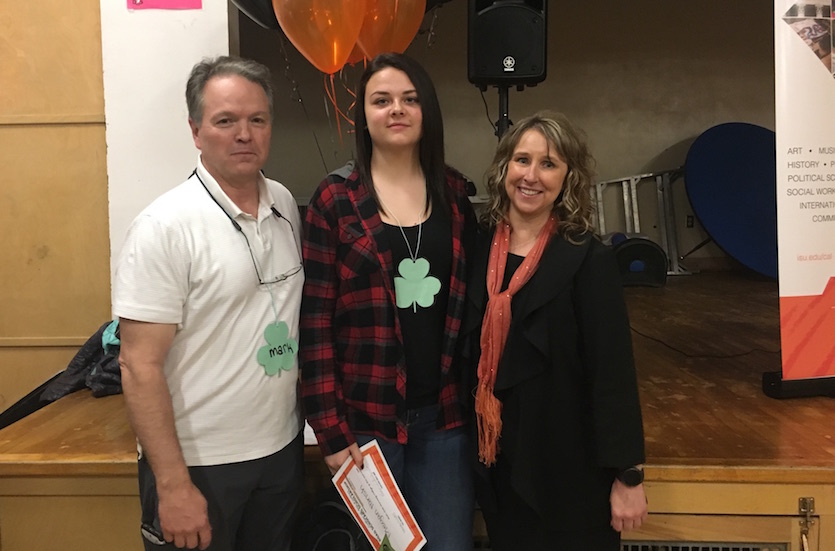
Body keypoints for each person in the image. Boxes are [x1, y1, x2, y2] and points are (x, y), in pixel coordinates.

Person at [113, 56, 304, 551]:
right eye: (226, 121)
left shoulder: (283, 204)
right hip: (200, 465)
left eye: (257, 120)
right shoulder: (164, 227)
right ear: (196, 132)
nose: (244, 133)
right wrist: (173, 485)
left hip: (281, 450)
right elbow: (138, 364)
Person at [300, 52, 476, 550]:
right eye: (382, 100)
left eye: (410, 99)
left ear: (427, 112)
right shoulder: (335, 199)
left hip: (444, 418)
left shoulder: (456, 195)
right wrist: (329, 431)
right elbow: (313, 322)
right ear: (365, 115)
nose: (396, 109)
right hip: (365, 423)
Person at [461, 111, 647, 550]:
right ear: (503, 166)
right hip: (499, 461)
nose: (532, 176)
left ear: (569, 177)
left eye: (549, 164)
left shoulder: (587, 258)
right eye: (522, 160)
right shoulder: (477, 245)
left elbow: (612, 371)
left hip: (570, 466)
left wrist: (628, 475)